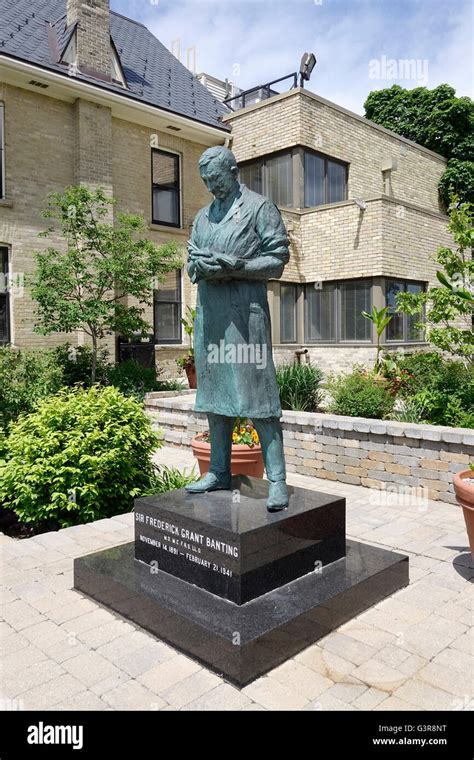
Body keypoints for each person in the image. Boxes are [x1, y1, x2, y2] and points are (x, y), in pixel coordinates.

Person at [184, 146, 290, 511]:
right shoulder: (202, 217)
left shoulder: (260, 208)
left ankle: (277, 480)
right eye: (206, 182)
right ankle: (218, 470)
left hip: (245, 318)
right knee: (215, 398)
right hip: (211, 318)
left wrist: (236, 266)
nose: (212, 186)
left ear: (233, 170)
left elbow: (277, 259)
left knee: (258, 400)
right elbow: (191, 263)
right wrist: (199, 266)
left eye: (216, 178)